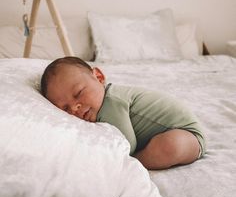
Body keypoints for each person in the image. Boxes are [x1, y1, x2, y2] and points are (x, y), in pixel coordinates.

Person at [41, 56, 206, 170]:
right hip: (170, 135)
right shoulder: (98, 106)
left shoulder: (111, 102)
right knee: (164, 145)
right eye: (65, 108)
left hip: (188, 136)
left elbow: (126, 144)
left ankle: (135, 166)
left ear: (99, 77)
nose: (75, 107)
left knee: (169, 146)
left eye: (78, 93)